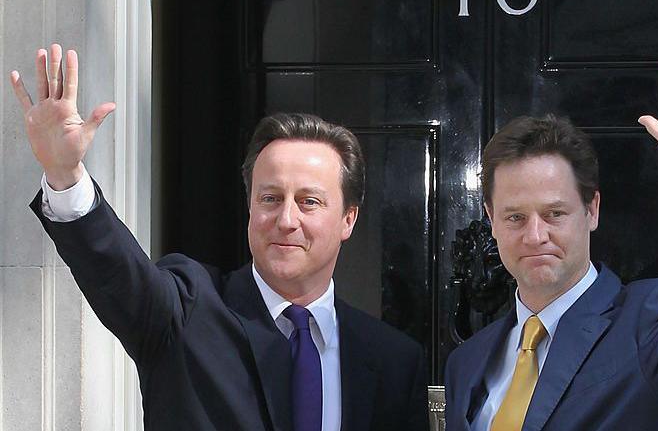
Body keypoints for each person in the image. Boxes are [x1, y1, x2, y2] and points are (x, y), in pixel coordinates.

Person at [9, 44, 429, 431]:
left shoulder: (393, 362)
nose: (286, 219)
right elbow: (118, 271)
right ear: (249, 206)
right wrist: (65, 175)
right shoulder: (185, 311)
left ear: (348, 220)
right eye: (270, 197)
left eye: (309, 202)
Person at [443, 45, 658, 431]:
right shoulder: (466, 363)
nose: (535, 235)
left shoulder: (649, 325)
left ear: (592, 210)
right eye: (515, 218)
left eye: (555, 214)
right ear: (491, 220)